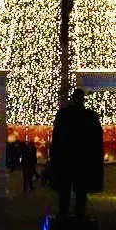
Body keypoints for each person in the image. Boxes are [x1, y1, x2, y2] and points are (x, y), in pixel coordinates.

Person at [47, 89, 104, 219]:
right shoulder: (89, 116)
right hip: (80, 160)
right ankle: (77, 215)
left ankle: (66, 214)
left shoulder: (64, 115)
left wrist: (54, 157)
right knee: (78, 191)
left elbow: (56, 139)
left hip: (67, 160)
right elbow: (96, 141)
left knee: (68, 191)